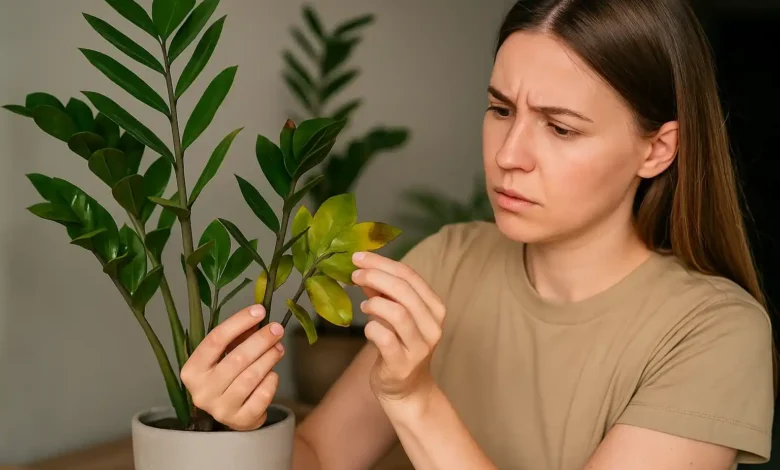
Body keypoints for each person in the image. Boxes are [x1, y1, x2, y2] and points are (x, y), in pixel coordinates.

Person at [179, 0, 776, 468]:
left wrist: (414, 398)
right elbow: (318, 456)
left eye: (561, 129)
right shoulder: (450, 261)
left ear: (657, 149)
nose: (509, 155)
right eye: (500, 110)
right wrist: (239, 427)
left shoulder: (716, 332)